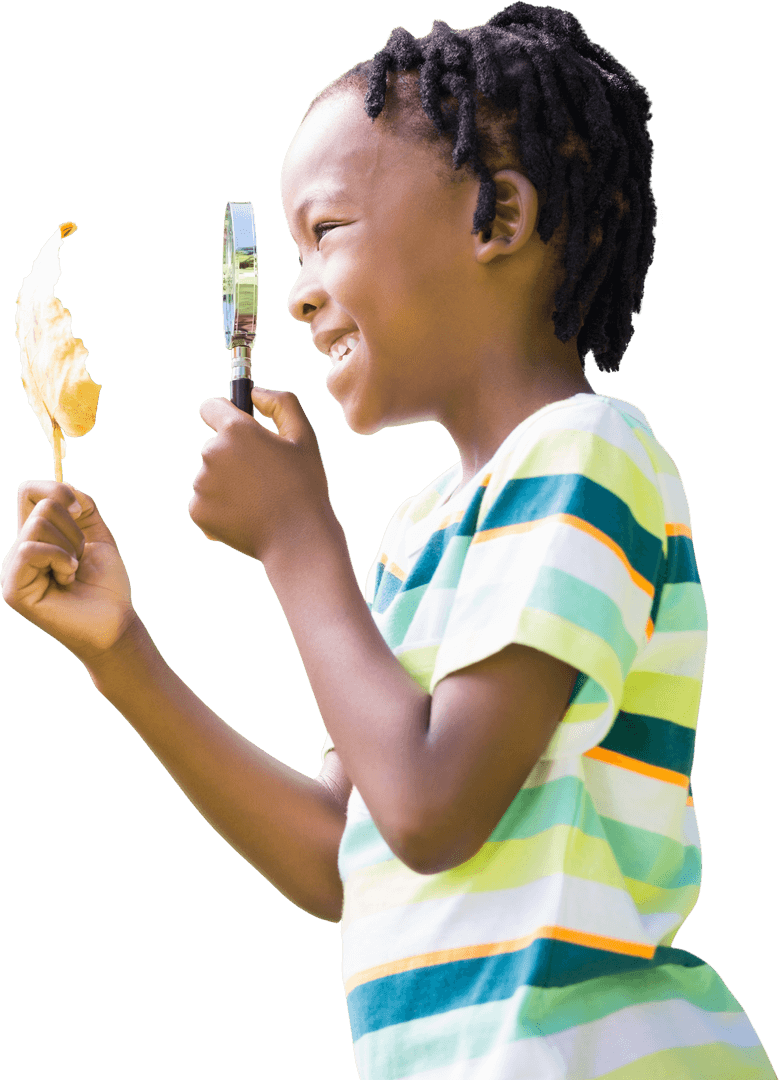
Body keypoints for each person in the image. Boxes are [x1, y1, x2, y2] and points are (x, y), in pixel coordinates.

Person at [2, 3, 775, 1077]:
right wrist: (121, 657)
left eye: (326, 232)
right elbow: (345, 853)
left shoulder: (587, 455)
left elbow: (428, 809)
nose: (302, 292)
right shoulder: (417, 532)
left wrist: (296, 539)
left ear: (495, 215)